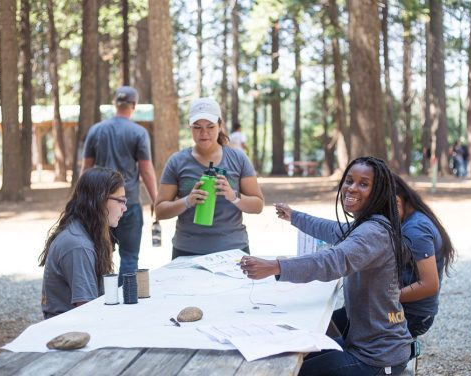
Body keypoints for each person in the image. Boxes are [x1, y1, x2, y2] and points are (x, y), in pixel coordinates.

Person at [240, 156, 413, 376]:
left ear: (379, 191)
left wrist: (276, 267)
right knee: (293, 356)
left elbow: (333, 260)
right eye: (349, 181)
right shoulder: (369, 225)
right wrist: (295, 217)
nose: (351, 188)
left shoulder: (373, 233)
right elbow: (332, 230)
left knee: (289, 371)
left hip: (377, 360)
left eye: (363, 183)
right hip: (363, 346)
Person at [155, 97, 264, 259]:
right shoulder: (177, 161)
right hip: (187, 251)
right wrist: (187, 201)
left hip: (233, 250)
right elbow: (160, 211)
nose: (204, 133)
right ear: (190, 128)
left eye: (210, 127)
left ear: (220, 126)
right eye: (197, 127)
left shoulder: (238, 159)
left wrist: (234, 197)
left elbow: (258, 205)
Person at [81, 86, 158, 283]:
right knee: (130, 257)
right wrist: (156, 200)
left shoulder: (96, 130)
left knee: (99, 254)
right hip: (128, 202)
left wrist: (80, 200)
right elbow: (146, 170)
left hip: (99, 204)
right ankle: (128, 299)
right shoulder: (138, 132)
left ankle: (99, 298)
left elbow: (86, 169)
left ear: (115, 104)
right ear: (134, 105)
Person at [39, 167, 126, 319]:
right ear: (100, 199)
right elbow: (88, 313)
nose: (124, 208)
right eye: (120, 200)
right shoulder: (78, 246)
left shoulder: (87, 232)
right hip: (69, 332)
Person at [394, 174, 455, 337]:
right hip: (409, 310)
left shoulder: (415, 229)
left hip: (414, 316)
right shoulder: (413, 217)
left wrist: (383, 298)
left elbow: (429, 285)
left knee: (337, 327)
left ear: (396, 202)